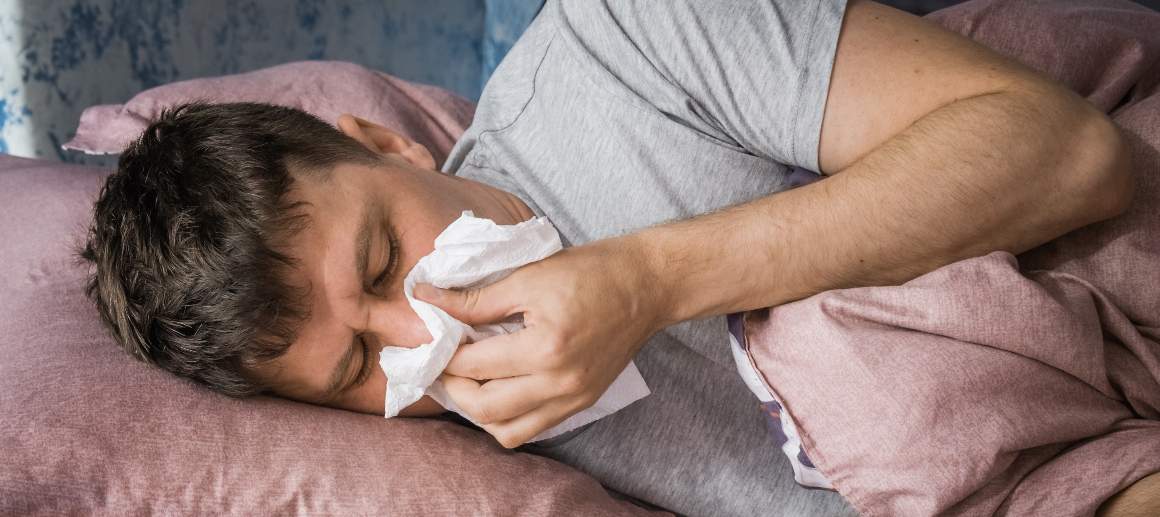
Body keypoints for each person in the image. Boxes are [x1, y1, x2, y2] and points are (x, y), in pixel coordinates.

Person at [80, 0, 1138, 515]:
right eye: (359, 367)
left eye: (379, 259)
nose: (421, 325)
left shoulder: (621, 40)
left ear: (385, 146)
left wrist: (648, 280)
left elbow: (1068, 153)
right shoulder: (477, 461)